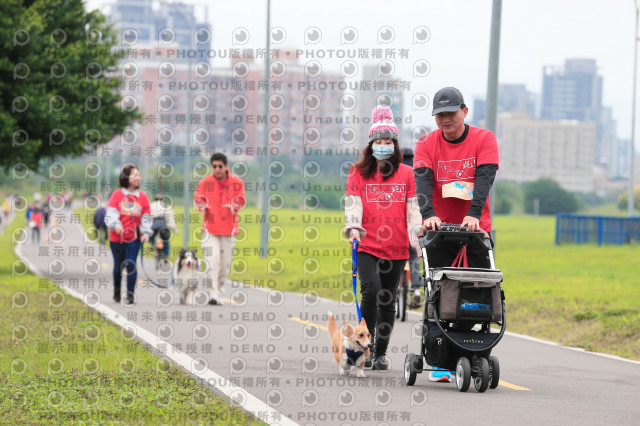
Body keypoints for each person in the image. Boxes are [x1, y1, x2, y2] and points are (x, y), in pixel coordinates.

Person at [413, 87, 500, 382]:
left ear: (464, 111)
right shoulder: (426, 144)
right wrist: (428, 217)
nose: (445, 119)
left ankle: (477, 357)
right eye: (440, 115)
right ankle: (439, 357)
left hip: (475, 229)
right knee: (438, 291)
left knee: (480, 292)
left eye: (451, 113)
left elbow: (484, 178)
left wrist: (473, 215)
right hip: (439, 230)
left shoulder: (484, 139)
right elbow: (423, 184)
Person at [344, 105, 422, 371]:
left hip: (397, 247)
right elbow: (353, 204)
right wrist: (353, 227)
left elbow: (413, 209)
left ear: (395, 145)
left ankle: (380, 353)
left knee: (388, 298)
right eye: (379, 141)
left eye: (388, 141)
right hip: (367, 244)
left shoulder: (407, 174)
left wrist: (416, 233)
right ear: (371, 145)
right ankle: (363, 346)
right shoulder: (358, 173)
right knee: (371, 291)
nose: (383, 146)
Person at [194, 153, 246, 301]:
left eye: (220, 166)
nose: (217, 169)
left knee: (224, 263)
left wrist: (233, 205)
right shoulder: (205, 182)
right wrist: (202, 204)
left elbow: (241, 199)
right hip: (210, 229)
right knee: (211, 259)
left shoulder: (237, 182)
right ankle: (213, 292)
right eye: (214, 166)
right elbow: (198, 197)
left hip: (229, 229)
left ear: (226, 166)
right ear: (211, 167)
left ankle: (220, 289)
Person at [105, 165, 152, 304]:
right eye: (134, 175)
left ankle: (130, 294)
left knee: (131, 264)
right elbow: (111, 213)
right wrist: (116, 225)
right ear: (126, 177)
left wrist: (146, 232)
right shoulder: (117, 195)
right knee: (118, 266)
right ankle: (117, 290)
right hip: (116, 238)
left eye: (139, 175)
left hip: (134, 238)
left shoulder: (143, 197)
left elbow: (146, 216)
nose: (138, 177)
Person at [400, 147, 424, 308]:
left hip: (397, 228)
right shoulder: (419, 175)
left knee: (393, 258)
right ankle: (415, 289)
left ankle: (392, 288)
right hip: (415, 226)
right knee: (414, 256)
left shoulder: (398, 174)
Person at [149, 193, 179, 260]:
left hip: (153, 226)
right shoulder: (166, 206)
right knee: (166, 241)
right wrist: (174, 229)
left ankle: (152, 244)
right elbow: (171, 218)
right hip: (164, 226)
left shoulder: (151, 205)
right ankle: (166, 255)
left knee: (150, 236)